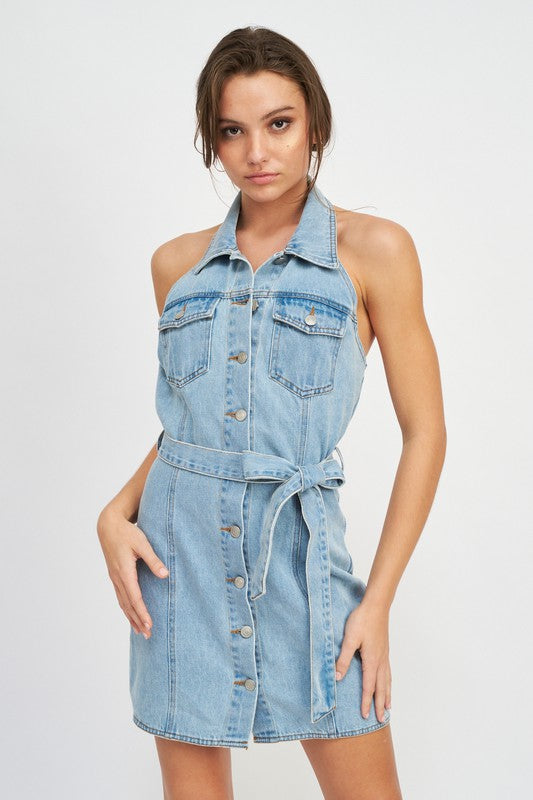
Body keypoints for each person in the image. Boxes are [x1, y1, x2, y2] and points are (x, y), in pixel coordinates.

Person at [97, 25, 446, 800]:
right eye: (232, 130)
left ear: (313, 125)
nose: (257, 151)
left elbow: (425, 434)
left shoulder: (374, 250)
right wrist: (115, 512)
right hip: (175, 563)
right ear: (212, 143)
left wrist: (378, 602)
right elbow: (190, 427)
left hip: (301, 564)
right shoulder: (175, 264)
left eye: (278, 124)